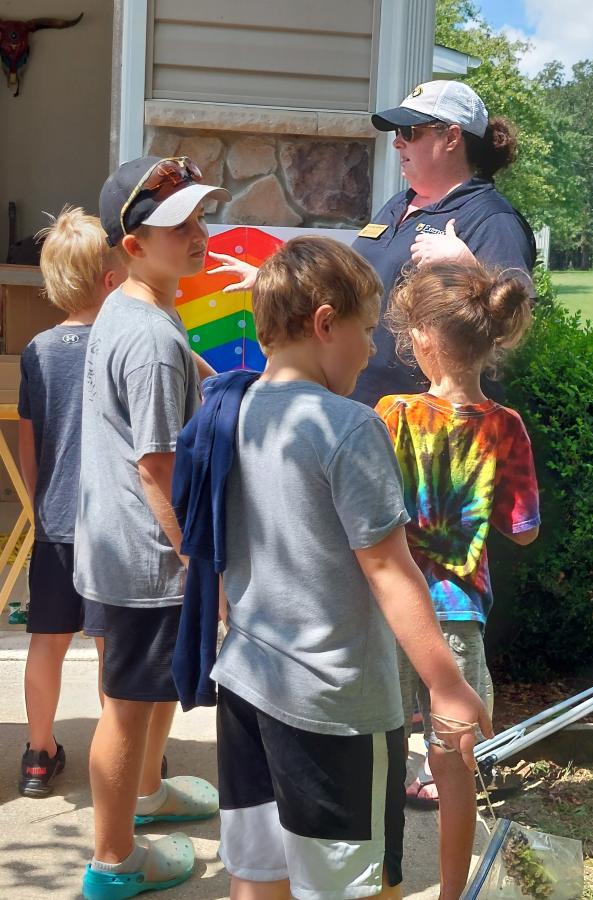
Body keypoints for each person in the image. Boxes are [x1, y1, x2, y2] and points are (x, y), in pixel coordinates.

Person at [208, 236, 493, 900]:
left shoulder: (232, 409)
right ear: (324, 322)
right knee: (357, 887)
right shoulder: (348, 426)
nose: (371, 350)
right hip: (331, 706)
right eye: (365, 331)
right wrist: (446, 685)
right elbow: (389, 569)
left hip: (246, 684)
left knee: (258, 874)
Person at [76, 156, 230, 900]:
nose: (199, 234)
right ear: (132, 245)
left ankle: (147, 795)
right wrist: (200, 560)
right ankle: (113, 862)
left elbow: (172, 369)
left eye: (201, 217)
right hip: (145, 555)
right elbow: (156, 470)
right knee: (126, 706)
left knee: (149, 689)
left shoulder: (138, 305)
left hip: (118, 543)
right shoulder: (153, 339)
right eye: (180, 226)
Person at [203, 80, 536, 409]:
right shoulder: (398, 204)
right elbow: (351, 285)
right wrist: (274, 280)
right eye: (396, 134)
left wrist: (466, 265)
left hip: (430, 430)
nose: (397, 144)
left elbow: (511, 325)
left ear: (451, 137)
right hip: (364, 410)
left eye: (410, 133)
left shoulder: (491, 217)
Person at [375, 260, 540, 899]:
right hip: (458, 618)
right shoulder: (506, 428)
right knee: (455, 768)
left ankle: (381, 884)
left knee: (382, 759)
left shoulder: (390, 412)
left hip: (391, 611)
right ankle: (451, 893)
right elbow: (523, 529)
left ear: (422, 339)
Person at [17, 207, 125, 798]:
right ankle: (124, 749)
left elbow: (31, 443)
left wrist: (40, 509)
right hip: (113, 524)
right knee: (113, 644)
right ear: (110, 277)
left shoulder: (37, 350)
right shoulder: (123, 342)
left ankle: (38, 752)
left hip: (56, 522)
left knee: (47, 641)